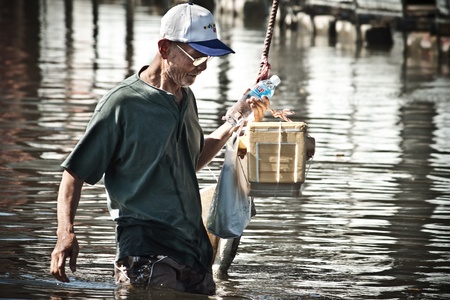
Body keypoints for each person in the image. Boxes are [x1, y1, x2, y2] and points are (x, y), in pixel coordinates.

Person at [50, 2, 269, 296]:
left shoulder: (186, 99)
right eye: (197, 56)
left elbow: (189, 162)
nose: (203, 66)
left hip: (193, 250)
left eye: (209, 57)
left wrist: (236, 117)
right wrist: (66, 231)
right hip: (146, 250)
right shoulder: (122, 104)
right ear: (165, 48)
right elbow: (74, 174)